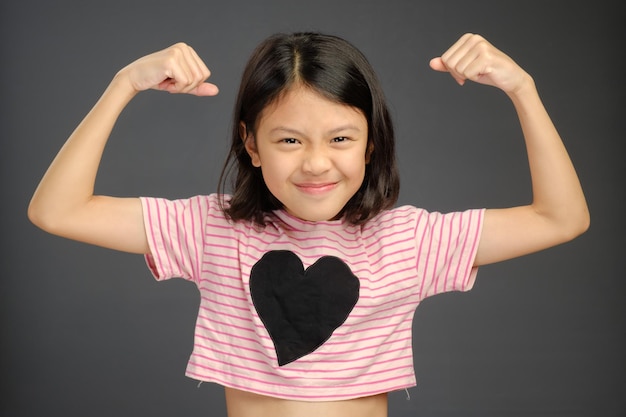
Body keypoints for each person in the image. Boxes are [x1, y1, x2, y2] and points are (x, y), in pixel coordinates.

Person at [28, 32, 589, 417]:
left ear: (371, 146)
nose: (316, 163)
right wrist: (124, 83)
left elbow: (561, 219)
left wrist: (523, 87)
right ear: (251, 144)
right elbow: (57, 210)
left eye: (341, 138)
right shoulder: (211, 229)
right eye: (289, 140)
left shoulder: (410, 240)